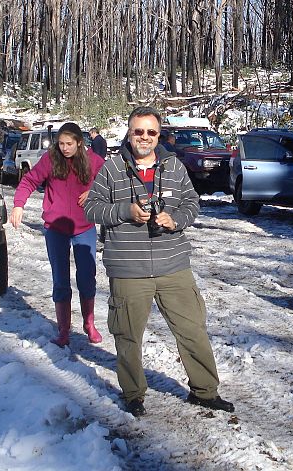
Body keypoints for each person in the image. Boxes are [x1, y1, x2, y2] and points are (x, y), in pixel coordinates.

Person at [84, 106, 234, 417]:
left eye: (151, 132)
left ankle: (205, 392)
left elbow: (192, 202)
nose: (145, 137)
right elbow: (92, 208)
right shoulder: (111, 169)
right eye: (138, 131)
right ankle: (133, 394)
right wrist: (126, 211)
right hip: (128, 269)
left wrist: (175, 218)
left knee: (193, 329)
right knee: (127, 336)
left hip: (173, 265)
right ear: (129, 133)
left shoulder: (174, 167)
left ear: (159, 135)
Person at [11, 122, 106, 347]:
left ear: (79, 143)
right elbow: (29, 180)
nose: (64, 148)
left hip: (84, 228)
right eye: (61, 143)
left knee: (86, 277)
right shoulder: (50, 160)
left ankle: (89, 324)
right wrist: (18, 205)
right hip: (56, 229)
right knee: (60, 279)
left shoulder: (93, 161)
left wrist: (93, 191)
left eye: (69, 144)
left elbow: (111, 181)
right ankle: (63, 329)